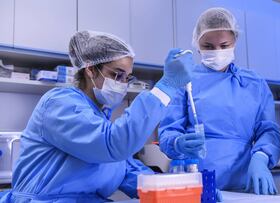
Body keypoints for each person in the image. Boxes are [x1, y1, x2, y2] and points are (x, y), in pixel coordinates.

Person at [1, 30, 195, 202]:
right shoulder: (60, 103)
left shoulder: (98, 117)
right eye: (117, 74)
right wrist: (166, 86)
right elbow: (112, 144)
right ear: (90, 69)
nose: (122, 84)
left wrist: (177, 188)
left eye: (127, 78)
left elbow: (125, 170)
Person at [159, 7, 280, 196]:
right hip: (194, 183)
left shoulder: (253, 83)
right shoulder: (184, 81)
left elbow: (269, 131)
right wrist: (177, 143)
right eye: (208, 46)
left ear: (234, 42)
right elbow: (169, 130)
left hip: (243, 184)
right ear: (197, 44)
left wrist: (261, 157)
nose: (217, 52)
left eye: (224, 46)